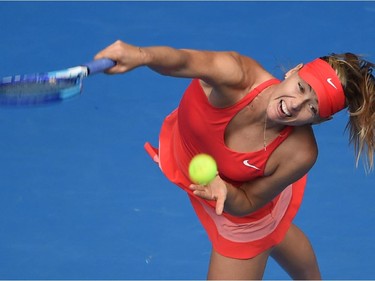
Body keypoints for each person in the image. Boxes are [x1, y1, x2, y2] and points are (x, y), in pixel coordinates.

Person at [94, 40, 375, 280]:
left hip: (242, 210)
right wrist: (141, 56)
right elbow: (181, 61)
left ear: (321, 120)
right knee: (276, 229)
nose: (293, 105)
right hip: (190, 157)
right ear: (294, 71)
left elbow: (251, 202)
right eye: (301, 88)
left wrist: (227, 194)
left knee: (267, 226)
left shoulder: (299, 153)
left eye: (311, 109)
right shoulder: (238, 75)